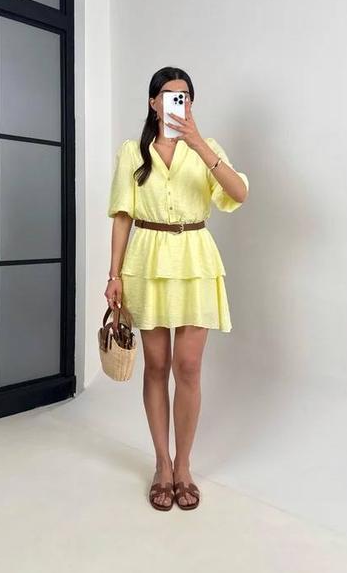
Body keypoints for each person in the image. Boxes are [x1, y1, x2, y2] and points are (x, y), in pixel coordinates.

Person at [105, 66, 249, 510]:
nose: (175, 102)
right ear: (153, 102)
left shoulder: (207, 148)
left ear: (190, 103)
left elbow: (238, 194)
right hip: (146, 263)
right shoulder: (132, 151)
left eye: (183, 96)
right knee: (156, 366)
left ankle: (184, 467)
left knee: (188, 367)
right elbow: (123, 216)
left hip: (194, 262)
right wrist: (113, 275)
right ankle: (162, 465)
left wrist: (197, 142)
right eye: (168, 95)